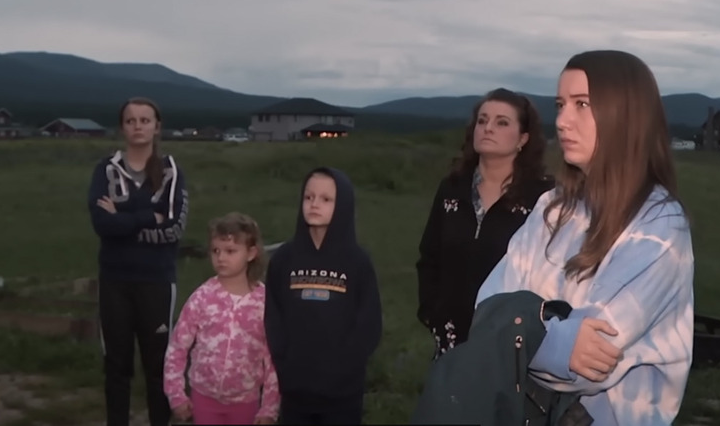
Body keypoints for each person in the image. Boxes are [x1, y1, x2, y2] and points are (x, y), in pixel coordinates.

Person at [475, 50, 695, 426]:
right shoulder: (554, 208)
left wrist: (518, 329)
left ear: (625, 114)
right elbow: (486, 309)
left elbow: (590, 362)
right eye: (561, 104)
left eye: (582, 105)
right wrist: (560, 343)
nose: (562, 120)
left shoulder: (660, 225)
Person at [416, 88, 553, 360]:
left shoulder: (543, 197)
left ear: (523, 138)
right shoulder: (452, 189)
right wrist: (433, 314)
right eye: (482, 120)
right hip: (452, 339)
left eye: (502, 122)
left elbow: (552, 272)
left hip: (512, 344)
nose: (488, 128)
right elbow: (429, 258)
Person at [88, 97, 189, 426]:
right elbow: (102, 225)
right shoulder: (105, 170)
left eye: (145, 120)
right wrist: (148, 216)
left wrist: (125, 220)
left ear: (157, 126)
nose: (138, 126)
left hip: (156, 281)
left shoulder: (171, 171)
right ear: (122, 127)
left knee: (158, 365)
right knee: (116, 365)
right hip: (115, 281)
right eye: (131, 121)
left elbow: (173, 229)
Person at [264, 167, 383, 425]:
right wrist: (286, 365)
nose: (314, 204)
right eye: (309, 197)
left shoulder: (357, 262)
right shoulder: (284, 259)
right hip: (295, 390)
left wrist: (344, 369)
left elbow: (369, 324)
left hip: (342, 394)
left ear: (343, 205)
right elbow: (273, 317)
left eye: (326, 199)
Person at [163, 212, 280, 425]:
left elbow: (272, 357)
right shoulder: (202, 297)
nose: (221, 258)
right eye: (216, 251)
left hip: (245, 403)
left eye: (230, 251)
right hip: (204, 399)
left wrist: (269, 408)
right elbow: (177, 347)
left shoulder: (264, 303)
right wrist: (175, 394)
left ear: (251, 253)